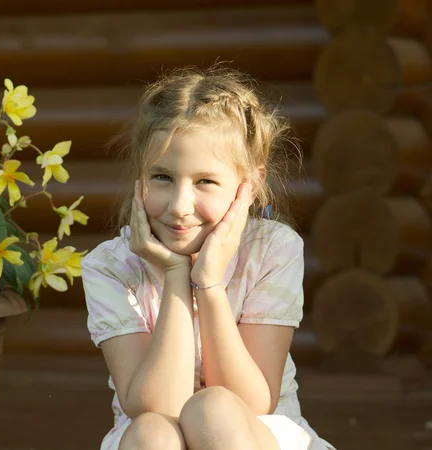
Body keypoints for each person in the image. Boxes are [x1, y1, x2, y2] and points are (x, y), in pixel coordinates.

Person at [81, 66, 335, 450]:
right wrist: (175, 272)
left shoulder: (272, 250)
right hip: (151, 435)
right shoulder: (110, 267)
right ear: (140, 178)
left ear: (249, 188)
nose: (180, 207)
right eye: (162, 178)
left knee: (212, 409)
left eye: (205, 181)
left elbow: (253, 404)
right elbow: (155, 407)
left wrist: (211, 285)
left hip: (256, 433)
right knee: (152, 432)